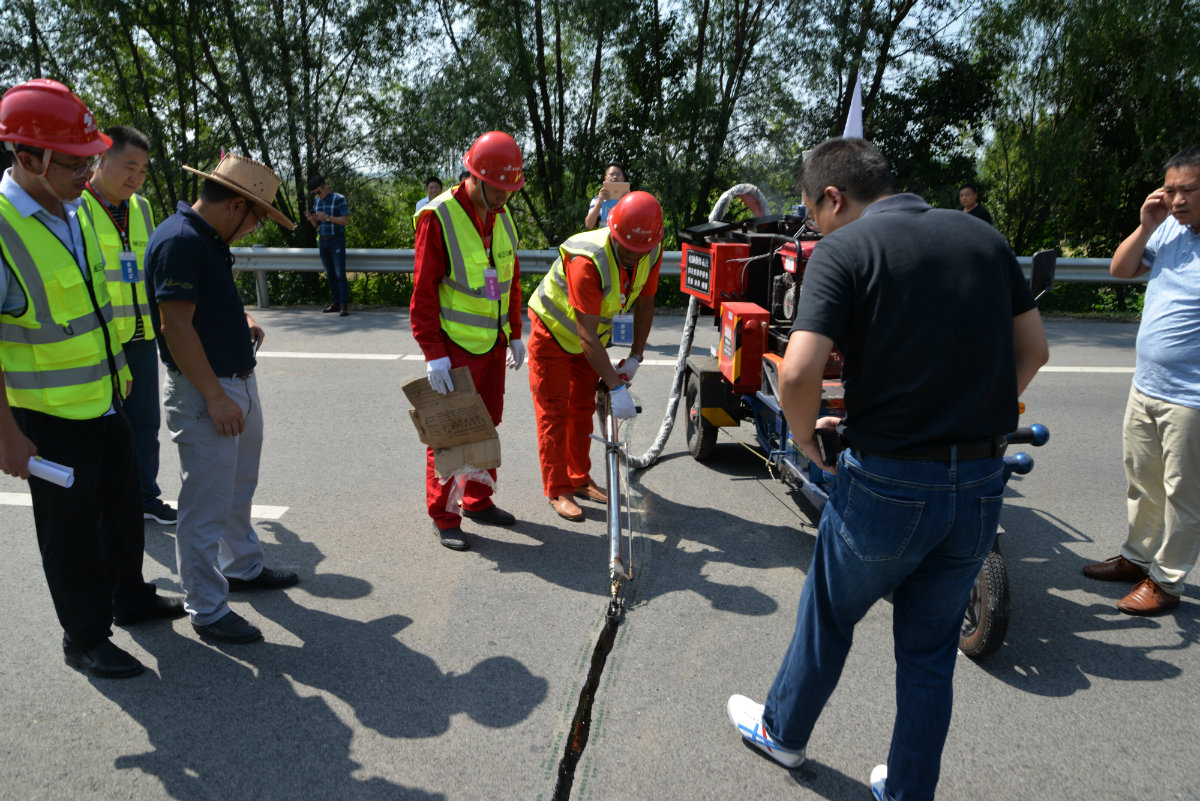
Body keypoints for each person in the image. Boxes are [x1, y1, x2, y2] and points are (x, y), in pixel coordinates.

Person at [725, 138, 1048, 801]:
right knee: (929, 652)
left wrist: (804, 436)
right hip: (981, 482)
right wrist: (970, 418)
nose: (814, 225)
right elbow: (1034, 350)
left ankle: (783, 731)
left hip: (889, 482)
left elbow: (798, 370)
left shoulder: (846, 250)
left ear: (834, 198)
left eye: (813, 211)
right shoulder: (984, 239)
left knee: (829, 610)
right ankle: (907, 790)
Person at [0, 79, 184, 679]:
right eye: (78, 161)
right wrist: (7, 435)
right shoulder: (3, 229)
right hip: (50, 418)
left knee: (123, 510)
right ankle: (84, 637)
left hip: (107, 399)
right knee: (71, 535)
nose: (90, 171)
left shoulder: (76, 212)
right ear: (29, 158)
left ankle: (129, 598)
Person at [145, 153, 299, 645]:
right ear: (236, 206)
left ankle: (242, 566)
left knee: (237, 486)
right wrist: (214, 396)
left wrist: (242, 319)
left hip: (233, 382)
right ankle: (207, 608)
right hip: (208, 390)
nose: (256, 228)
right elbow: (176, 326)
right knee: (205, 502)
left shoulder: (205, 238)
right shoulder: (179, 241)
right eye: (257, 218)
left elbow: (207, 302)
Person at [1082, 144, 1200, 616]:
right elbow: (1121, 269)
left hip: (1192, 397)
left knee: (1183, 495)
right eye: (1169, 189)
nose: (1175, 199)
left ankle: (1166, 581)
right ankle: (1136, 558)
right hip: (1147, 385)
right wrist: (1146, 225)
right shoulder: (1168, 227)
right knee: (1143, 483)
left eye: (1186, 190)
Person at [410, 131, 525, 551]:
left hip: (493, 346)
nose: (504, 198)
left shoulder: (503, 214)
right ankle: (444, 515)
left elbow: (509, 281)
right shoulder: (438, 218)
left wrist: (515, 332)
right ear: (475, 176)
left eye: (511, 190)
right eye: (499, 188)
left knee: (486, 424)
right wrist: (433, 354)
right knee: (449, 432)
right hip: (454, 348)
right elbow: (422, 296)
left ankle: (477, 499)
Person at [527, 191, 664, 521]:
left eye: (640, 250)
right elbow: (585, 331)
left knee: (581, 409)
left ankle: (578, 478)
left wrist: (636, 356)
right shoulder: (586, 257)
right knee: (554, 412)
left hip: (590, 343)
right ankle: (557, 488)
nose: (634, 256)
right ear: (613, 231)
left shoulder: (651, 249)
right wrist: (615, 386)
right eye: (627, 248)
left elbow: (646, 301)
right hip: (553, 334)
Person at [82, 125, 176, 526]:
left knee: (146, 424)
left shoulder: (143, 208)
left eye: (143, 170)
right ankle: (108, 500)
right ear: (102, 159)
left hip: (141, 338)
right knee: (106, 429)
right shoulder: (77, 207)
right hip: (101, 342)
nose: (135, 178)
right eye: (129, 166)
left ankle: (145, 497)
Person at [304, 174, 350, 316]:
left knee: (339, 274)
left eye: (319, 191)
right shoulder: (317, 202)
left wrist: (328, 218)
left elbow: (346, 220)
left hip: (336, 240)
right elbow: (316, 225)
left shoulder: (339, 199)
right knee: (329, 273)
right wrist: (312, 219)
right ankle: (335, 303)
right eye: (315, 193)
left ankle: (343, 305)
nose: (318, 195)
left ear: (325, 186)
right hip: (323, 240)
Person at [584, 161, 627, 229]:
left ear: (623, 179)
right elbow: (589, 225)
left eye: (618, 174)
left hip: (624, 236)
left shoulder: (630, 199)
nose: (615, 177)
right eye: (611, 174)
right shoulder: (596, 200)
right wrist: (600, 202)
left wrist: (628, 200)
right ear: (606, 179)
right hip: (605, 236)